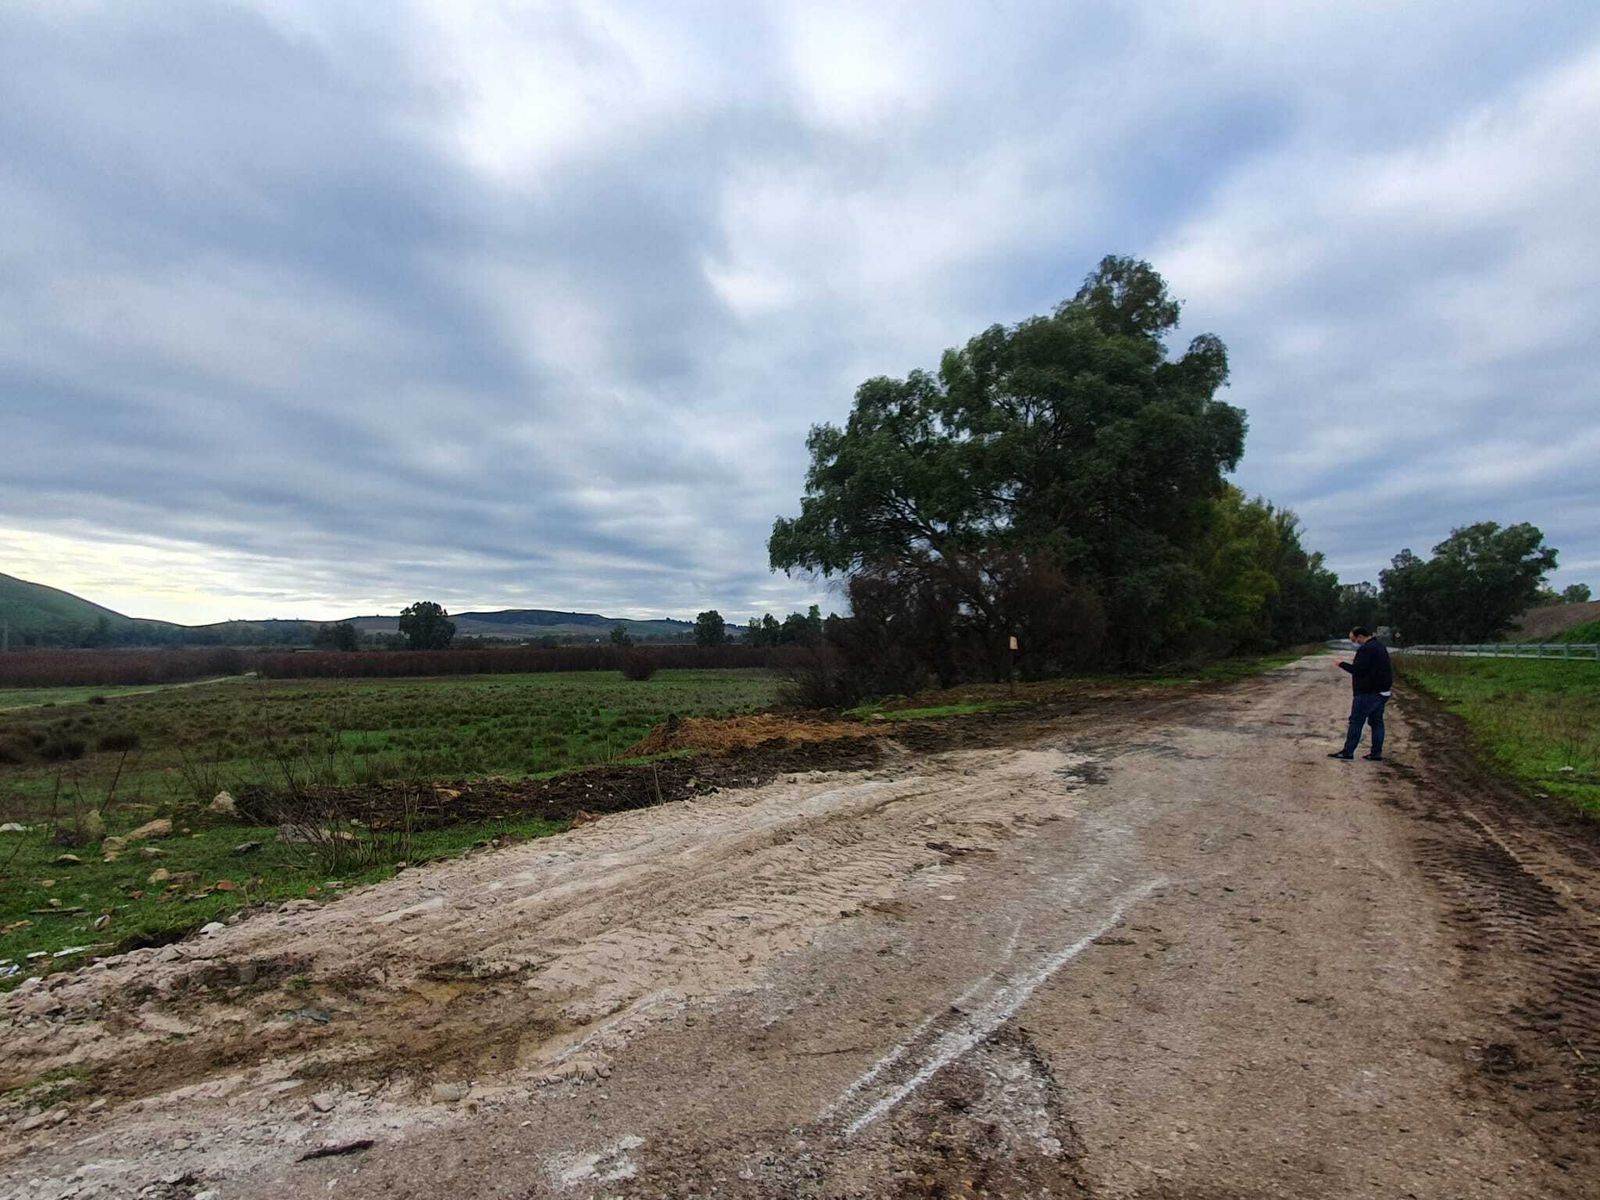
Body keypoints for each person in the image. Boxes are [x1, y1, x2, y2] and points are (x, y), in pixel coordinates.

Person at [1330, 626, 1392, 761]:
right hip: (1383, 691)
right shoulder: (1380, 646)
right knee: (1377, 722)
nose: (1355, 643)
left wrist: (1341, 664)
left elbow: (1358, 670)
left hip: (1368, 692)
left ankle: (1348, 751)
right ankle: (1376, 753)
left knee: (1356, 722)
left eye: (1355, 640)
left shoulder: (1366, 649)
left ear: (1360, 636)